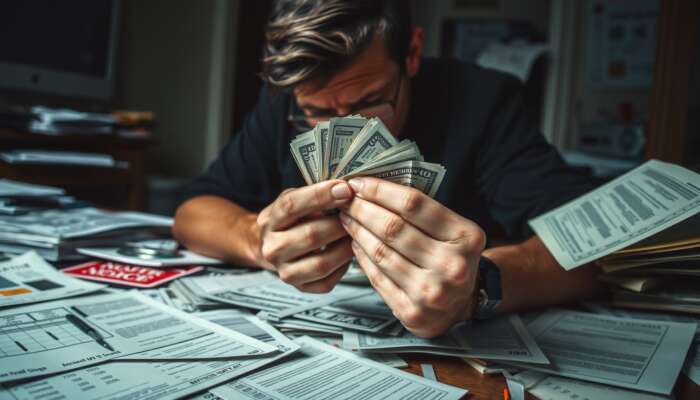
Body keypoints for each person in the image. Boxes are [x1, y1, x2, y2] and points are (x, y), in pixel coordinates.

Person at [173, 0, 604, 338]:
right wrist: (255, 239)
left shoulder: (483, 101)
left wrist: (479, 287)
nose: (345, 128)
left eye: (368, 102)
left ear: (412, 53)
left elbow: (590, 246)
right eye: (317, 112)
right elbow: (194, 212)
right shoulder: (283, 105)